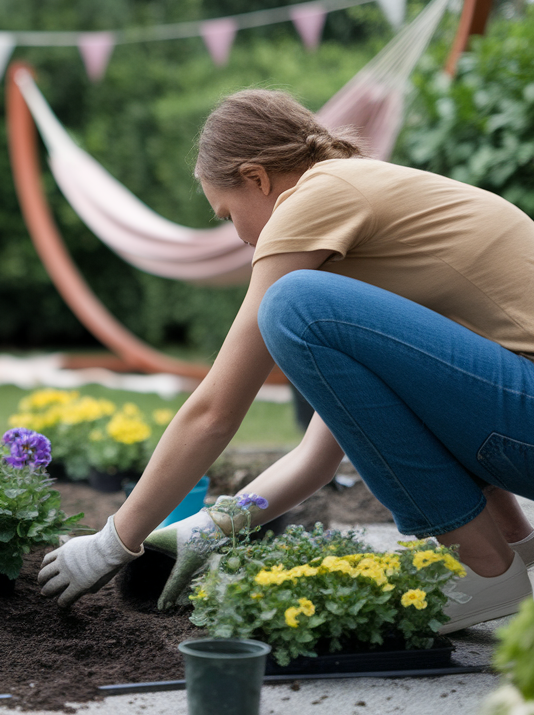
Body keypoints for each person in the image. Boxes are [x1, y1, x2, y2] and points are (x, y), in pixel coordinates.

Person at [38, 88, 534, 634]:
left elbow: (215, 411)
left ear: (257, 177)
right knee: (304, 305)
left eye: (228, 215)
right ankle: (514, 547)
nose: (244, 240)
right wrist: (209, 527)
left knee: (292, 303)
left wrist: (113, 541)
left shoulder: (318, 198)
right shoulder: (371, 221)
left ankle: (488, 570)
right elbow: (322, 453)